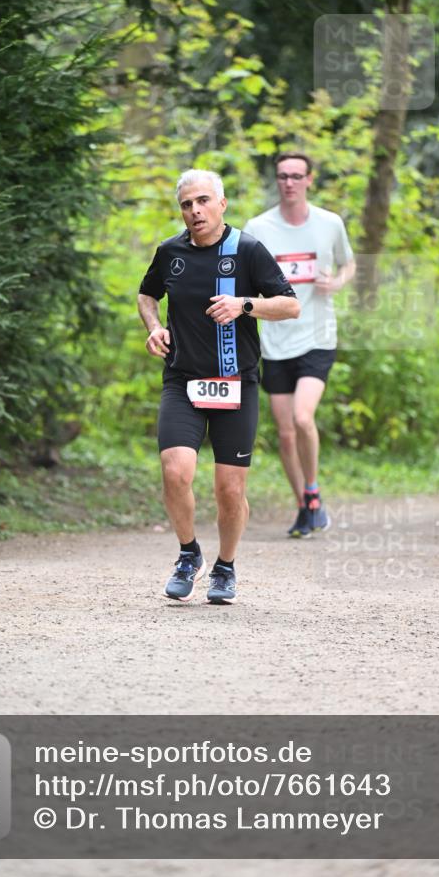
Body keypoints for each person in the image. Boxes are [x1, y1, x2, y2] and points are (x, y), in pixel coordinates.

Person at [137, 169, 299, 604]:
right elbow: (147, 295)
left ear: (221, 204)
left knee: (230, 490)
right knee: (175, 471)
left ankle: (225, 567)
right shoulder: (170, 252)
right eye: (187, 204)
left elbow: (290, 305)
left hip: (236, 383)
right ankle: (189, 555)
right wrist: (154, 327)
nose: (195, 211)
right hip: (182, 381)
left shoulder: (246, 251)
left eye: (203, 201)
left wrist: (244, 304)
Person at [244, 152, 355, 538]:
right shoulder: (258, 227)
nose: (289, 183)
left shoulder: (329, 223)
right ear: (276, 181)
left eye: (296, 176)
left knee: (302, 418)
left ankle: (313, 489)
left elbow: (349, 264)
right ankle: (305, 507)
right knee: (285, 433)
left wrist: (337, 283)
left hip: (317, 337)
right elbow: (245, 278)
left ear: (309, 180)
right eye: (282, 176)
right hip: (275, 342)